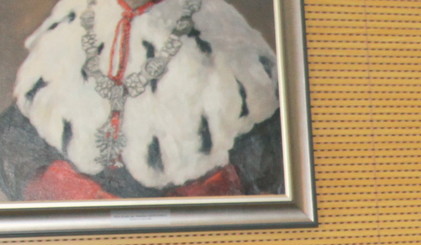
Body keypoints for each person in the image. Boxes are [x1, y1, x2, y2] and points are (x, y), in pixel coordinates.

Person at [0, 0, 284, 201]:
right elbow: (14, 147)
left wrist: (205, 195)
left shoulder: (221, 33)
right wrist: (69, 190)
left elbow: (271, 159)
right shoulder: (68, 28)